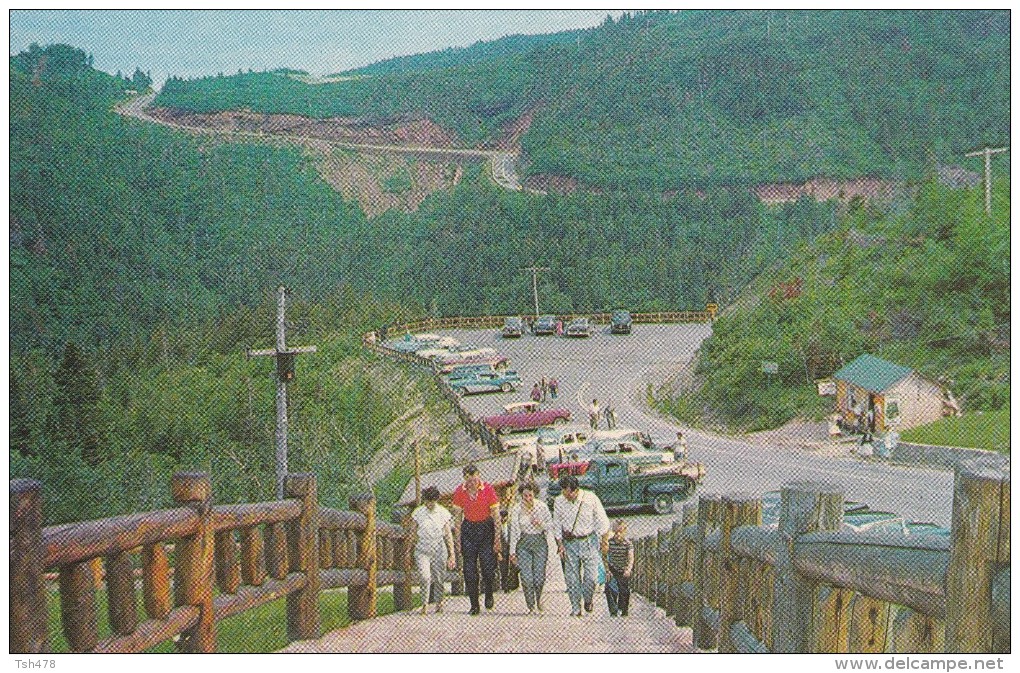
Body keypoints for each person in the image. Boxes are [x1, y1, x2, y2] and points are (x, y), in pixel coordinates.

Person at [553, 475, 611, 617]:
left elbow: (602, 520)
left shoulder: (590, 499)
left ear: (576, 490)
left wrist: (604, 541)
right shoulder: (559, 501)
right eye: (564, 493)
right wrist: (559, 544)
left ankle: (588, 599)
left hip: (589, 541)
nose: (566, 497)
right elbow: (556, 524)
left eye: (569, 494)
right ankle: (575, 607)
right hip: (570, 543)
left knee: (591, 577)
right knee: (572, 578)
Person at [450, 463, 501, 615]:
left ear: (479, 477)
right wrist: (458, 540)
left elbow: (496, 517)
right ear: (464, 479)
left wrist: (497, 538)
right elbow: (457, 519)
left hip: (486, 528)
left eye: (474, 480)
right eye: (468, 480)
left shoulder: (488, 489)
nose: (472, 483)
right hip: (469, 530)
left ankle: (489, 591)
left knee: (487, 567)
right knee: (469, 570)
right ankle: (474, 604)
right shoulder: (460, 491)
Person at [410, 486, 456, 615]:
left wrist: (452, 554)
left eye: (432, 501)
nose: (429, 504)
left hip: (438, 549)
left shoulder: (443, 513)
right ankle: (424, 603)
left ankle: (439, 602)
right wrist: (409, 549)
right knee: (425, 577)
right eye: (427, 501)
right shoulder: (418, 513)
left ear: (436, 500)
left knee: (439, 577)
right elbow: (412, 532)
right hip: (422, 549)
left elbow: (448, 534)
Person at [508, 482, 552, 614]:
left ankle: (539, 599)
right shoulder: (517, 508)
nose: (527, 498)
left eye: (530, 495)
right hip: (523, 543)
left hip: (539, 541)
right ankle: (530, 605)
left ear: (535, 494)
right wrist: (512, 552)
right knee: (526, 577)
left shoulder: (542, 507)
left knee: (539, 577)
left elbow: (550, 525)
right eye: (525, 496)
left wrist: (541, 524)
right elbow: (514, 530)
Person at [604, 519, 634, 617]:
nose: (618, 535)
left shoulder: (627, 544)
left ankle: (624, 609)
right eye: (616, 532)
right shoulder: (610, 543)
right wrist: (607, 570)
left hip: (623, 569)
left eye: (620, 532)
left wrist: (628, 569)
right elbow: (604, 556)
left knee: (624, 590)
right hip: (613, 568)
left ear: (624, 532)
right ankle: (613, 610)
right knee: (609, 588)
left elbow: (630, 558)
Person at [497, 508, 519, 593]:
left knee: (514, 567)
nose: (503, 519)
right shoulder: (496, 527)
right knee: (503, 569)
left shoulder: (511, 526)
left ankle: (514, 584)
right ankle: (505, 586)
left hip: (511, 549)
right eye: (501, 517)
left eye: (505, 517)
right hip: (502, 550)